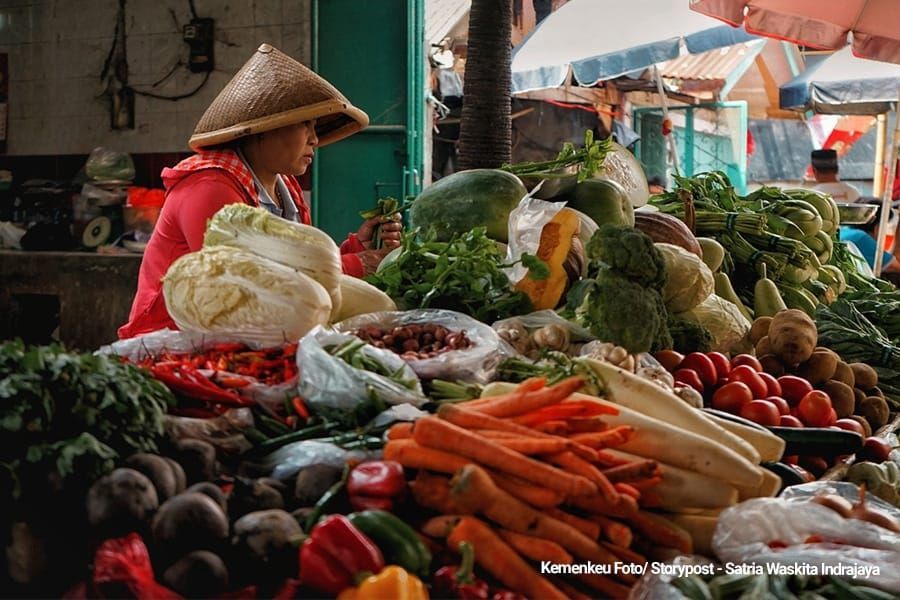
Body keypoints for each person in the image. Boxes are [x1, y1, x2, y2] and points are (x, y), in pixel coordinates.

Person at [118, 44, 401, 339]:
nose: (315, 139)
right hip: (169, 340)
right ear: (264, 128)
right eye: (306, 125)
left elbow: (296, 269)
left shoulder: (285, 187)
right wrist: (357, 264)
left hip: (240, 336)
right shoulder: (209, 186)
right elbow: (244, 281)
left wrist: (356, 247)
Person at [838, 197, 900, 273]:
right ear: (877, 225)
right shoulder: (861, 237)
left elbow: (887, 260)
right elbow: (895, 267)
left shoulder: (844, 231)